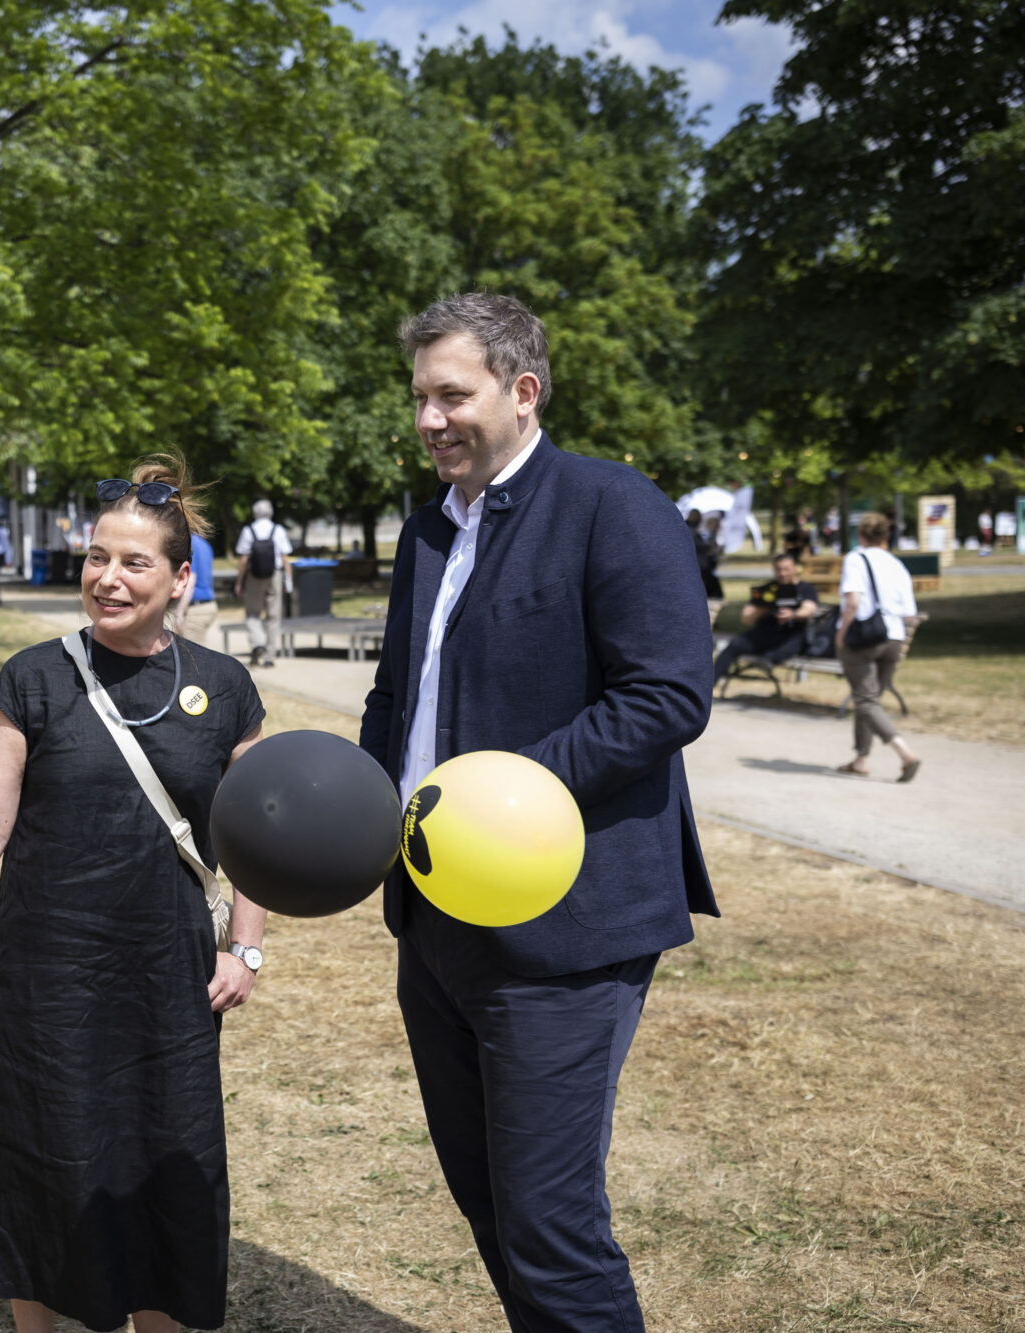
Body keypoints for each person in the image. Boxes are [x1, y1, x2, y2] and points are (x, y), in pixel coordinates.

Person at [359, 292, 716, 1331]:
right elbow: (396, 699)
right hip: (430, 924)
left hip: (561, 930)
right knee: (488, 1204)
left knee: (549, 1221)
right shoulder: (426, 530)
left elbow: (664, 694)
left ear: (521, 390)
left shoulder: (612, 504)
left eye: (450, 394)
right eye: (419, 397)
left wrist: (496, 797)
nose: (429, 419)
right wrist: (363, 811)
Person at [0, 453, 267, 1333]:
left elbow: (260, 834)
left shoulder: (224, 690)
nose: (107, 578)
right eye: (96, 557)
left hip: (167, 982)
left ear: (181, 578)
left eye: (134, 562)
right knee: (40, 1159)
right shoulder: (33, 678)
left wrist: (247, 944)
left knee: (161, 1162)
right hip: (46, 978)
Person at [836, 512, 922, 782]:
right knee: (870, 700)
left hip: (864, 636)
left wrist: (841, 634)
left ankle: (905, 754)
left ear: (860, 535)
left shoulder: (855, 558)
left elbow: (852, 601)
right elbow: (910, 612)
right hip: (894, 638)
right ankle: (862, 758)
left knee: (866, 700)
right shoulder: (897, 565)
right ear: (886, 536)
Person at [712, 552, 821, 682]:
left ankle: (768, 660)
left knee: (799, 639)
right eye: (778, 569)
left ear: (794, 568)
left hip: (792, 634)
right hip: (766, 632)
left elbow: (810, 608)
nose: (783, 573)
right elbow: (746, 619)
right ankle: (710, 683)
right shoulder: (767, 590)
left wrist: (793, 615)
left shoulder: (805, 588)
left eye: (786, 569)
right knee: (735, 644)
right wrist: (764, 608)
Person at [234, 498, 290, 668]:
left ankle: (258, 643)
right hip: (274, 575)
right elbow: (285, 557)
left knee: (252, 613)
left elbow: (244, 560)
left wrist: (239, 582)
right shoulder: (278, 530)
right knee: (274, 616)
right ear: (271, 513)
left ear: (254, 514)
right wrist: (288, 580)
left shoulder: (248, 530)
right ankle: (270, 656)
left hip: (254, 577)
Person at [171, 528, 218, 646]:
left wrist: (179, 612)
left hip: (195, 609)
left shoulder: (191, 546)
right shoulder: (204, 544)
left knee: (191, 659)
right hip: (207, 605)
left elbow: (190, 581)